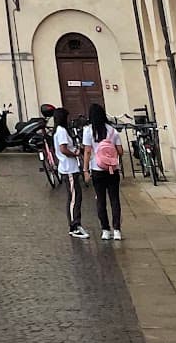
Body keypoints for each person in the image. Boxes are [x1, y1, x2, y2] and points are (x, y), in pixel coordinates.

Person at [82, 101, 123, 241]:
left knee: (100, 200)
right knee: (115, 199)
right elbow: (120, 151)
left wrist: (85, 170)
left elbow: (87, 152)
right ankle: (117, 229)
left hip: (97, 169)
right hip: (112, 169)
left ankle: (105, 230)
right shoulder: (112, 130)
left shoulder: (88, 131)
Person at [53, 107, 88, 238]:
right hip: (69, 168)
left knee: (76, 196)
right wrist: (75, 153)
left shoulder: (60, 131)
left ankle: (76, 224)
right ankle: (74, 226)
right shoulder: (61, 131)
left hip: (70, 168)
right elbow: (63, 149)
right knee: (74, 197)